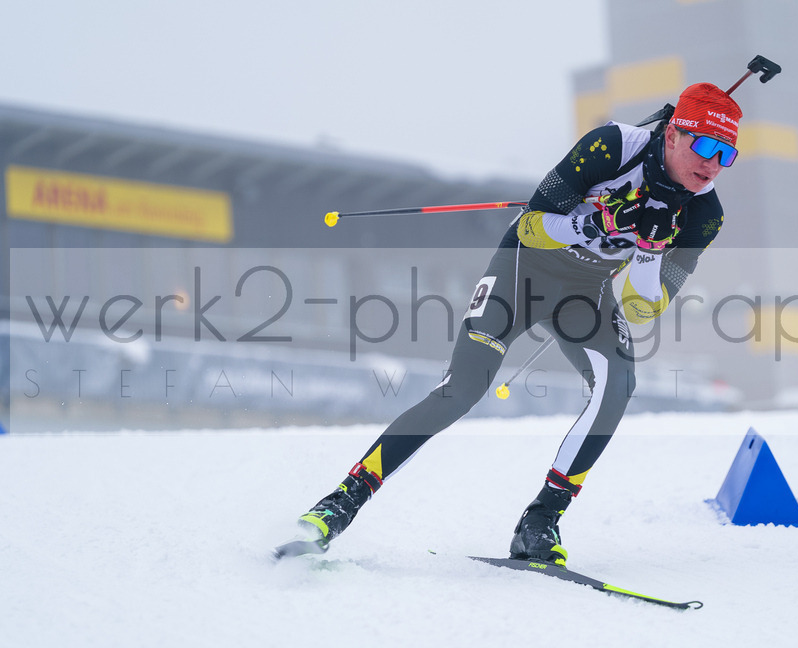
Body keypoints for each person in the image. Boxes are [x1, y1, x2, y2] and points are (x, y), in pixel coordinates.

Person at [275, 81, 744, 563]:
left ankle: (540, 523)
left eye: (726, 154)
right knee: (462, 390)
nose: (712, 164)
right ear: (672, 135)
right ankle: (338, 505)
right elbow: (530, 227)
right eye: (704, 145)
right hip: (521, 272)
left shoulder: (704, 214)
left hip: (587, 294)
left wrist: (648, 250)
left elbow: (645, 307)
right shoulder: (612, 146)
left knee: (618, 385)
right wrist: (593, 225)